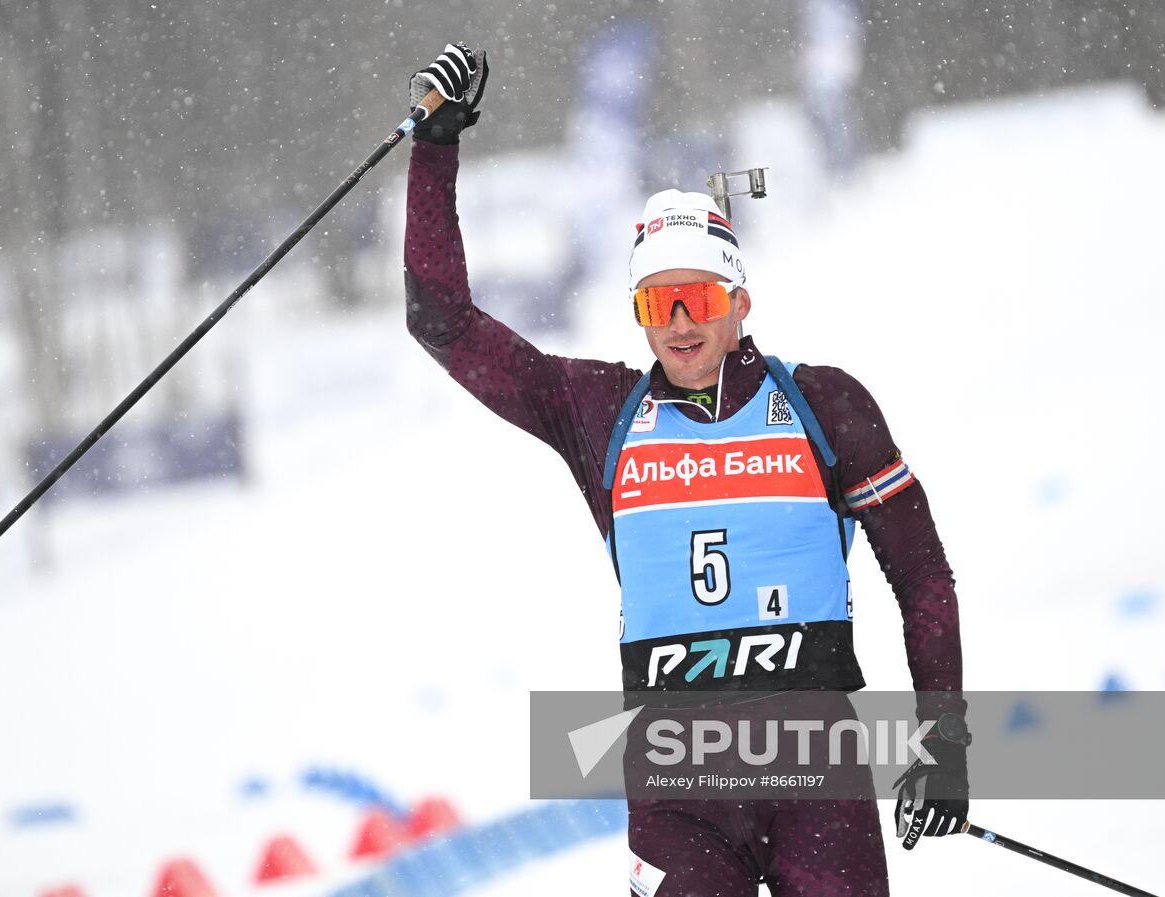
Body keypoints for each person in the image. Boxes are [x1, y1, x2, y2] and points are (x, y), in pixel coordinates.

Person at [404, 44, 967, 896]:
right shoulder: (599, 413)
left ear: (740, 301)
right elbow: (443, 322)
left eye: (697, 299)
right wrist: (436, 143)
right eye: (654, 302)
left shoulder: (826, 405)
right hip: (681, 795)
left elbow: (921, 573)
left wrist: (942, 743)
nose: (677, 323)